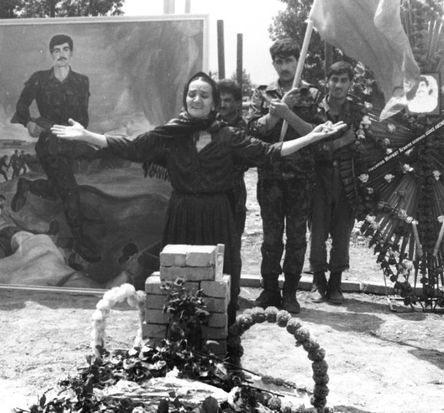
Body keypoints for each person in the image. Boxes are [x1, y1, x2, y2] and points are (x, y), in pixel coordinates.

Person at [51, 72, 346, 324]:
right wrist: (87, 136)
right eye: (192, 94)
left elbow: (268, 152)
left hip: (217, 216)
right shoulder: (171, 134)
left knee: (218, 280)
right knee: (178, 279)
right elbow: (132, 147)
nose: (196, 99)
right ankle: (178, 336)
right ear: (185, 99)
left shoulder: (228, 136)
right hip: (182, 214)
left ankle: (220, 336)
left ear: (213, 103)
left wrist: (311, 137)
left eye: (204, 95)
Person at [247, 38, 322, 314]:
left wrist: (288, 114)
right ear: (273, 64)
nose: (285, 66)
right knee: (271, 238)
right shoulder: (263, 93)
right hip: (271, 178)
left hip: (300, 178)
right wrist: (273, 116)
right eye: (279, 61)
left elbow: (318, 133)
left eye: (289, 60)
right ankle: (269, 289)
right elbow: (253, 131)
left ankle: (290, 292)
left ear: (297, 60)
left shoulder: (312, 94)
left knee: (297, 238)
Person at [11, 34, 100, 263]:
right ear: (51, 54)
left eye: (65, 49)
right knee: (69, 189)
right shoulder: (39, 79)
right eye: (57, 50)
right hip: (49, 143)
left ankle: (28, 185)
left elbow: (83, 115)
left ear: (71, 52)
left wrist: (79, 132)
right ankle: (80, 240)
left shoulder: (81, 81)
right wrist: (29, 123)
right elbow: (21, 107)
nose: (61, 54)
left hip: (72, 140)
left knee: (58, 187)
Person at [309, 61, 370, 304]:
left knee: (342, 233)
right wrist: (341, 142)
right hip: (319, 179)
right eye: (334, 80)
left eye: (344, 80)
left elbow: (365, 145)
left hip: (346, 179)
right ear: (327, 81)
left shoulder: (357, 112)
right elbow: (311, 146)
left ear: (351, 83)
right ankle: (318, 281)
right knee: (317, 232)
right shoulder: (315, 111)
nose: (338, 85)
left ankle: (335, 284)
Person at [217, 79, 250, 291]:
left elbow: (244, 161)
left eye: (228, 100)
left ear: (237, 103)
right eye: (219, 99)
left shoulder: (242, 128)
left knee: (233, 243)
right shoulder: (210, 124)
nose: (223, 104)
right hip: (213, 193)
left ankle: (234, 292)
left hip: (233, 193)